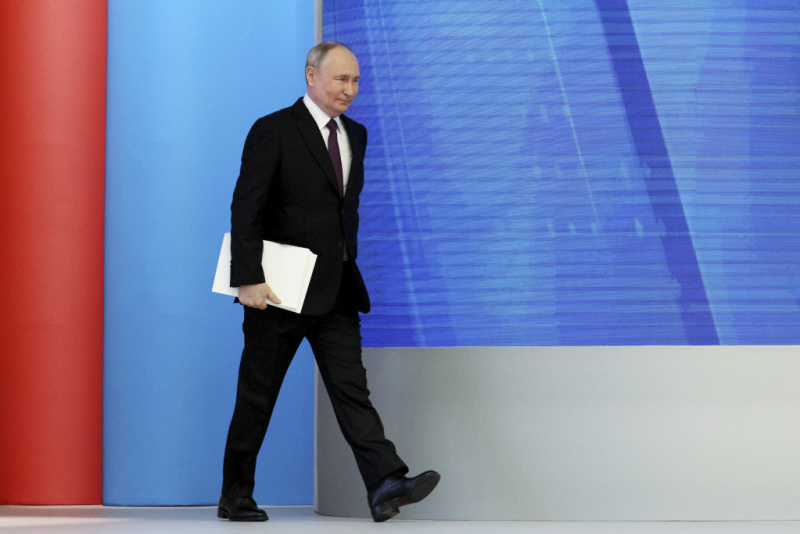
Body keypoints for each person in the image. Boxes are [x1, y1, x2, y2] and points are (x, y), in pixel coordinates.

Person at [218, 41, 440, 523]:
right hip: (278, 292)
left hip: (337, 289)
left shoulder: (356, 134)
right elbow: (246, 207)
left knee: (351, 390)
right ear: (311, 76)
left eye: (356, 80)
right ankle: (235, 494)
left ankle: (385, 483)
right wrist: (248, 279)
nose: (351, 89)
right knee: (257, 395)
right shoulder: (274, 129)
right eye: (341, 79)